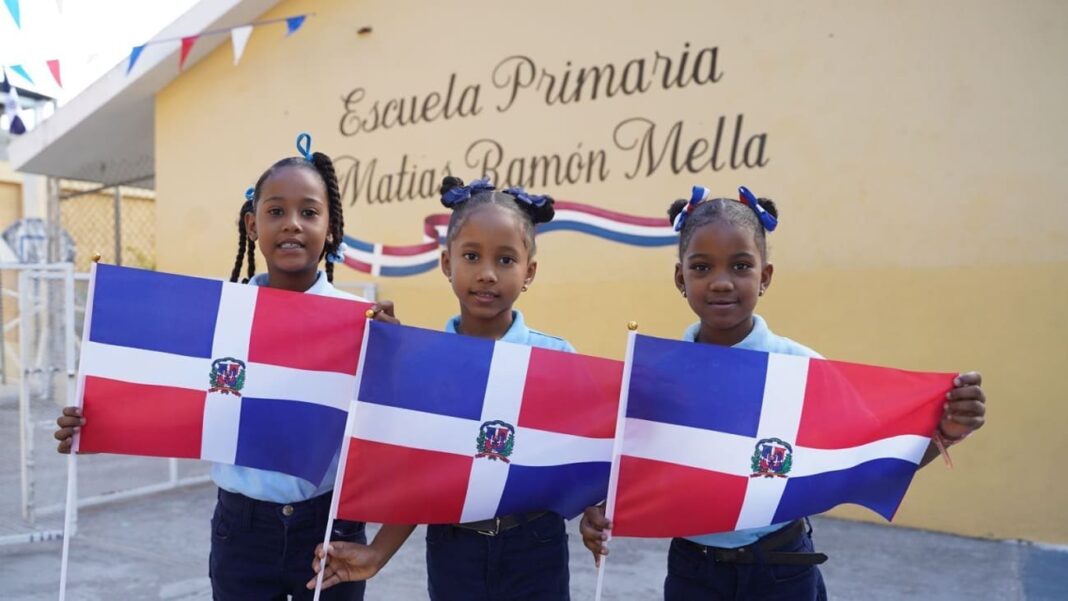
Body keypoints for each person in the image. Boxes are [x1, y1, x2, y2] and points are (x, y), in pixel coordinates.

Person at [579, 185, 987, 600]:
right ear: (681, 278)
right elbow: (631, 464)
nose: (721, 283)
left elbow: (873, 457)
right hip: (693, 571)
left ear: (765, 276)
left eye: (740, 266)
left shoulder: (801, 369)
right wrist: (599, 508)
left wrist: (948, 431)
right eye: (702, 268)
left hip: (781, 567)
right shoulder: (659, 376)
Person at [54, 133, 408, 600]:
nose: (292, 225)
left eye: (309, 212)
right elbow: (168, 395)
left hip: (329, 528)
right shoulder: (222, 319)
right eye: (276, 211)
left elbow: (392, 427)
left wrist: (393, 354)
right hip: (241, 531)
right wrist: (98, 421)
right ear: (251, 224)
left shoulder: (361, 325)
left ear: (332, 230)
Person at [308, 176, 575, 600]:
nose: (487, 274)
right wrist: (378, 552)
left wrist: (599, 511)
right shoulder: (425, 364)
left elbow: (587, 457)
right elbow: (423, 475)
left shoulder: (557, 359)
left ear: (530, 272)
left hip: (535, 547)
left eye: (505, 260)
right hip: (454, 549)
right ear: (447, 262)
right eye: (471, 256)